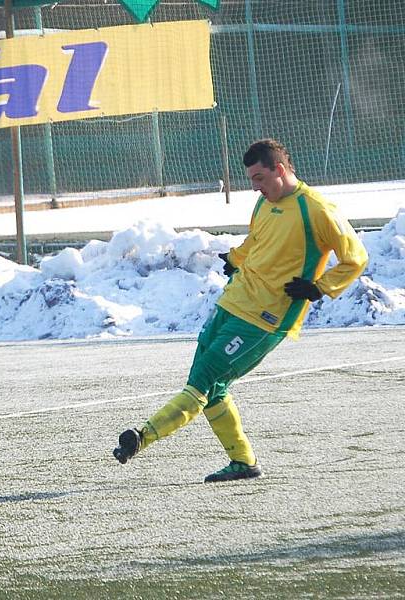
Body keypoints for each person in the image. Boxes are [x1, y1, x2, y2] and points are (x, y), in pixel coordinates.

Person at [113, 138, 368, 482]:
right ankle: (243, 462)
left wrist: (319, 287)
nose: (256, 187)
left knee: (203, 381)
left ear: (279, 169)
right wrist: (235, 259)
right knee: (211, 387)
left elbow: (355, 257)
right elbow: (257, 242)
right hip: (232, 303)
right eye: (252, 180)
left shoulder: (318, 209)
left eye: (260, 178)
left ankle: (141, 437)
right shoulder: (264, 205)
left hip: (266, 318)